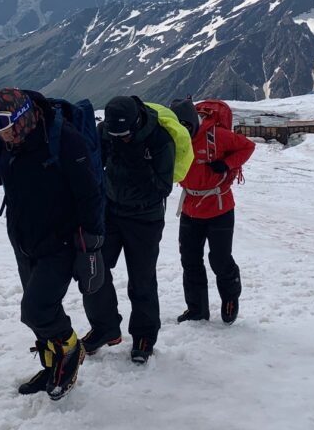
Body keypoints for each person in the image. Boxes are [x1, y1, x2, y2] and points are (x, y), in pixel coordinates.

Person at [0, 88, 104, 399]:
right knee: (41, 313)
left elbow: (91, 195)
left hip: (61, 242)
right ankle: (52, 367)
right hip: (24, 241)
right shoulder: (7, 141)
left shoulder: (65, 141)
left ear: (22, 118)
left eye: (2, 123)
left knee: (35, 310)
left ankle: (71, 351)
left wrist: (92, 246)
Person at [83, 95, 176, 364]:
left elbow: (164, 187)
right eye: (114, 133)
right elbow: (91, 161)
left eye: (123, 133)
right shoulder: (106, 133)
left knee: (142, 279)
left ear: (136, 122)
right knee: (93, 270)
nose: (119, 137)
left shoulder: (159, 140)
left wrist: (138, 164)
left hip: (145, 219)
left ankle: (144, 336)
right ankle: (105, 327)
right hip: (110, 213)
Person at [176, 99, 255, 325]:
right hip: (191, 206)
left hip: (219, 206)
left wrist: (228, 163)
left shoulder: (217, 136)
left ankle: (230, 297)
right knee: (190, 260)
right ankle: (196, 310)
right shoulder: (177, 135)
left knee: (219, 259)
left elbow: (248, 146)